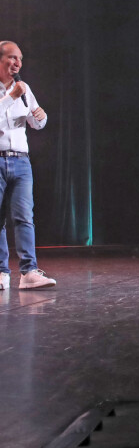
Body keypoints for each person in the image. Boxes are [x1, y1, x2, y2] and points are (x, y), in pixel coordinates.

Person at [0, 41, 56, 289]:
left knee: (24, 217)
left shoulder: (24, 88)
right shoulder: (14, 91)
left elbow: (35, 123)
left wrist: (40, 118)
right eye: (12, 58)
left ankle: (28, 272)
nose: (18, 64)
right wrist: (11, 97)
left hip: (21, 161)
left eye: (20, 59)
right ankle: (1, 273)